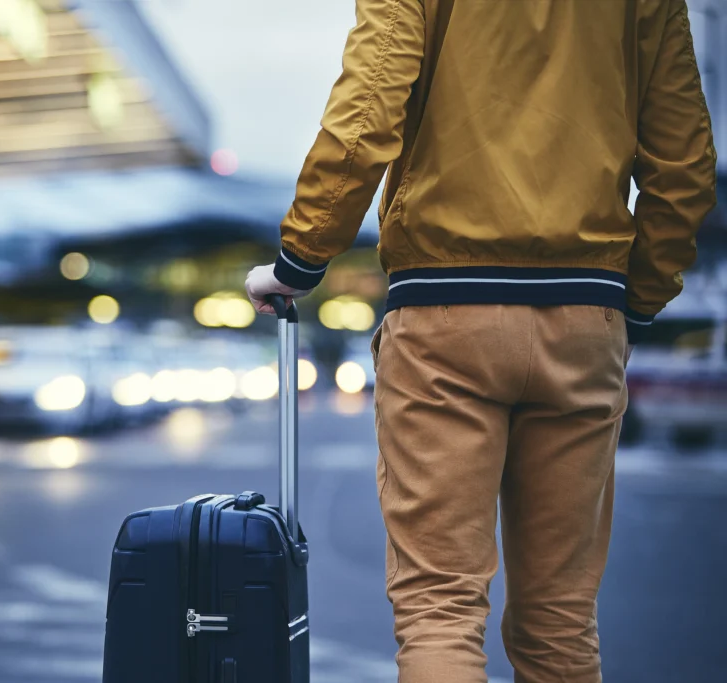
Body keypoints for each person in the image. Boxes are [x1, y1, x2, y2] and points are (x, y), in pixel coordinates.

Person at [245, 1, 717, 681]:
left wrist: (300, 258)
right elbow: (684, 165)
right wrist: (633, 300)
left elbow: (368, 108)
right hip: (585, 319)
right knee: (560, 621)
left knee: (440, 608)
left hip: (444, 309)